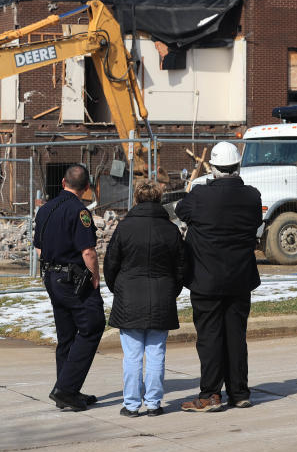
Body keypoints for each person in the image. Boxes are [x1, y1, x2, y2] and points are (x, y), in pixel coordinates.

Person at [175, 141, 263, 412]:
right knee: (236, 336)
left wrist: (200, 186)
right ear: (238, 166)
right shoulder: (252, 196)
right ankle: (239, 392)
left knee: (210, 337)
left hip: (206, 280)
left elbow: (180, 209)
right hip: (240, 278)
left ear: (212, 168)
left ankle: (210, 394)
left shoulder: (200, 196)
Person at [104, 181, 185, 418]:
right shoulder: (170, 229)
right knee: (156, 352)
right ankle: (153, 403)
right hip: (162, 295)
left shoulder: (124, 227)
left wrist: (117, 288)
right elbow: (181, 266)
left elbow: (111, 263)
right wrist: (172, 290)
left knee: (132, 355)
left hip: (129, 296)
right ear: (159, 200)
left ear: (136, 200)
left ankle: (131, 404)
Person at [34, 164, 104, 412]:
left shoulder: (45, 210)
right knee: (92, 327)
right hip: (74, 281)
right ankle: (65, 389)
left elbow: (39, 248)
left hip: (52, 277)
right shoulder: (80, 212)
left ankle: (68, 388)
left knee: (66, 335)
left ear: (63, 183)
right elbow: (88, 251)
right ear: (87, 188)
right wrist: (95, 278)